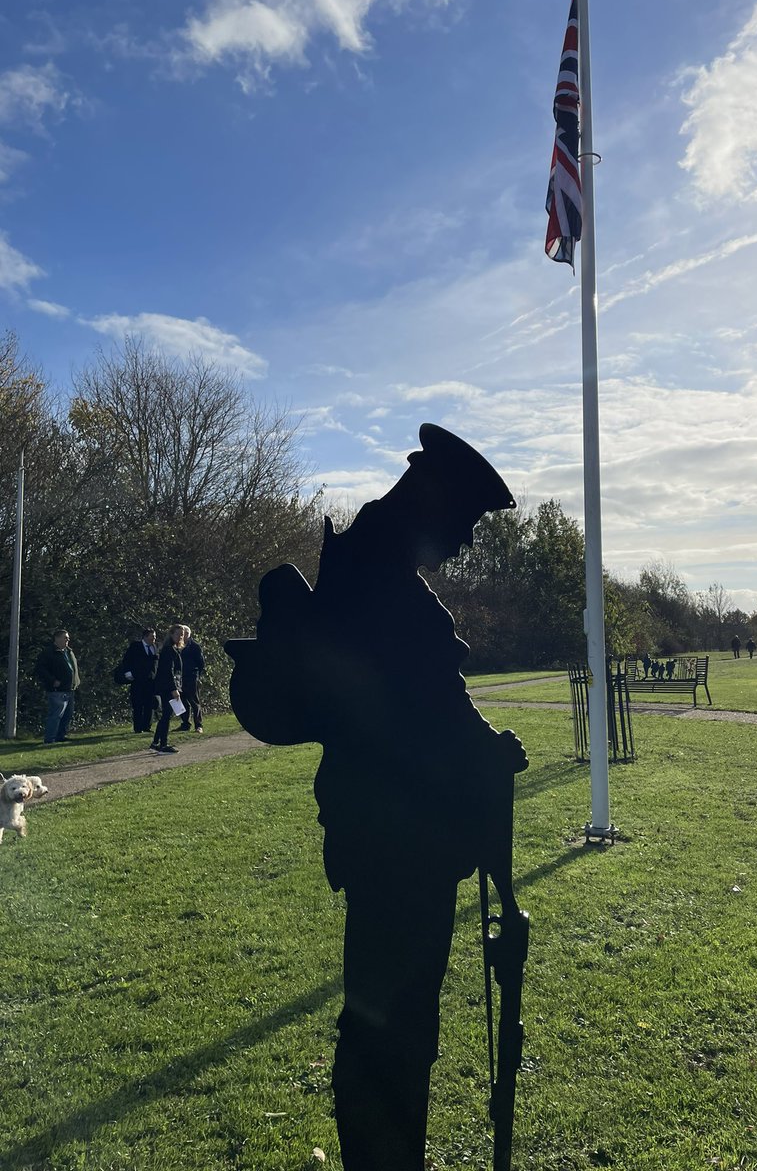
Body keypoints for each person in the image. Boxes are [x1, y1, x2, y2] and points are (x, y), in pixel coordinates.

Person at [226, 424, 528, 1171]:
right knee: (388, 1024)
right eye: (461, 525)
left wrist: (484, 748)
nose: (461, 546)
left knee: (395, 1021)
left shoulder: (376, 572)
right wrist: (485, 750)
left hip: (396, 840)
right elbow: (430, 705)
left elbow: (433, 702)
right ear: (430, 505)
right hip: (395, 845)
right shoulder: (382, 586)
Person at [35, 629, 80, 744]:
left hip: (69, 688)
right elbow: (40, 669)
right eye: (65, 638)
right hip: (57, 689)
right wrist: (52, 681)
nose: (67, 640)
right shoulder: (48, 653)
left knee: (67, 714)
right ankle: (50, 738)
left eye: (68, 638)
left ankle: (61, 736)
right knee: (56, 714)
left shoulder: (68, 652)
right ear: (57, 638)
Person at [151, 624, 186, 753]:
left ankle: (156, 742)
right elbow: (168, 671)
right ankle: (163, 744)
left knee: (166, 715)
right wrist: (174, 689)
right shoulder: (168, 650)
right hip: (167, 687)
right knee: (166, 715)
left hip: (168, 686)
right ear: (171, 634)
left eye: (181, 635)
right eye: (178, 634)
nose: (180, 637)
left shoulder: (172, 649)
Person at [121, 627, 159, 733]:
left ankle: (147, 726)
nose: (154, 639)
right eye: (152, 637)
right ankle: (138, 727)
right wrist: (128, 673)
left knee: (149, 704)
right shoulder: (135, 646)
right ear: (146, 637)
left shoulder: (154, 648)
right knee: (138, 704)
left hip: (151, 681)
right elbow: (127, 660)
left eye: (154, 637)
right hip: (138, 680)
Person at [177, 625, 205, 733]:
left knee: (194, 701)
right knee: (182, 701)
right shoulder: (177, 646)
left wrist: (197, 675)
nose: (182, 635)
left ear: (188, 634)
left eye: (184, 633)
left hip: (192, 677)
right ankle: (185, 724)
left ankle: (198, 725)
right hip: (180, 678)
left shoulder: (194, 646)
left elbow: (201, 663)